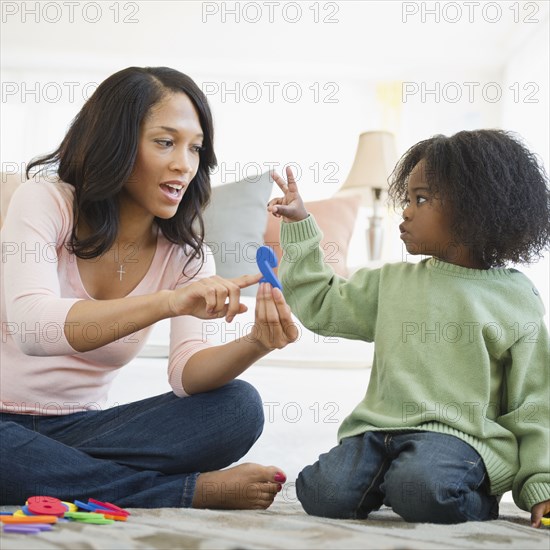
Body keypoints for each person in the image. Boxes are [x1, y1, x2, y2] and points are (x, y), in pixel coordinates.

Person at [0, 66, 298, 509]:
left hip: (89, 431)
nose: (185, 163)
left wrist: (257, 342)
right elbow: (35, 329)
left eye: (195, 148)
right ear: (115, 142)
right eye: (165, 142)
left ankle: (54, 473)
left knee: (238, 408)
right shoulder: (46, 200)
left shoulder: (187, 256)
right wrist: (167, 303)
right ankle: (181, 491)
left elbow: (187, 374)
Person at [267, 129, 550, 526]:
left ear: (474, 208)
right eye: (408, 198)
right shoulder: (391, 282)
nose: (406, 211)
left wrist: (543, 484)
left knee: (423, 489)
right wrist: (300, 225)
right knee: (321, 492)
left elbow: (535, 403)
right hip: (375, 431)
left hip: (461, 439)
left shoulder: (514, 299)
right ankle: (395, 481)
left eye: (421, 199)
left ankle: (462, 495)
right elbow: (322, 304)